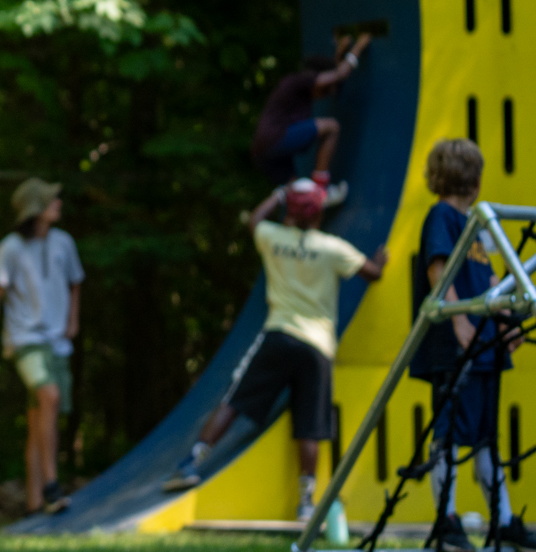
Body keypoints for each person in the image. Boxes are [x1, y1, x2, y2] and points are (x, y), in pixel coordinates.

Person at [164, 178, 387, 520]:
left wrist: (279, 195)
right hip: (318, 346)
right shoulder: (332, 248)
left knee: (235, 400)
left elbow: (254, 220)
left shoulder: (274, 238)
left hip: (279, 334)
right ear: (319, 212)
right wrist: (380, 261)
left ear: (290, 212)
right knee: (310, 424)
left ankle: (192, 461)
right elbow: (371, 273)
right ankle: (306, 502)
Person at [411, 138, 536, 552]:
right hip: (457, 348)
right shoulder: (442, 217)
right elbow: (438, 269)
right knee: (449, 432)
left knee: (486, 436)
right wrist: (459, 320)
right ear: (473, 178)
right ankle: (447, 521)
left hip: (485, 345)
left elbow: (490, 281)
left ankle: (503, 522)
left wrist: (505, 322)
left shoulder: (477, 223)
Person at [0, 178, 84, 515]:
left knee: (40, 416)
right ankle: (52, 486)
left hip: (57, 341)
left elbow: (75, 283)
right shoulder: (10, 248)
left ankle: (34, 502)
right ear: (36, 209)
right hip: (25, 340)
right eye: (51, 200)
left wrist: (73, 320)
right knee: (49, 395)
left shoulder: (64, 242)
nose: (58, 203)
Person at [251, 31, 372, 201]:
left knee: (297, 195)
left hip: (262, 151)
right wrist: (358, 47)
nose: (325, 94)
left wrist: (340, 53)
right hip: (276, 137)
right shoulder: (301, 80)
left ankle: (309, 204)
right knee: (331, 127)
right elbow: (339, 74)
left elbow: (333, 75)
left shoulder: (298, 85)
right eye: (324, 90)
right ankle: (321, 188)